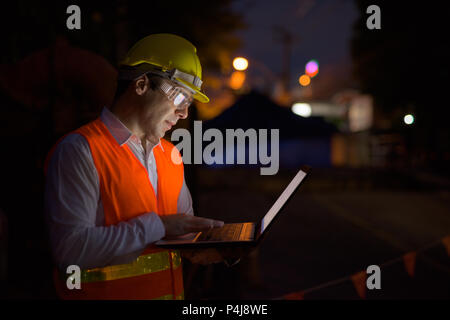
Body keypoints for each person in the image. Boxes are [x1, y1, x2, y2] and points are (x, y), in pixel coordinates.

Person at [44, 33, 227, 300]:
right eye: (179, 98)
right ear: (141, 84)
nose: (184, 113)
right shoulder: (80, 151)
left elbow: (177, 231)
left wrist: (202, 247)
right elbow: (70, 251)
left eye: (189, 103)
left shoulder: (171, 156)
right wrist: (159, 227)